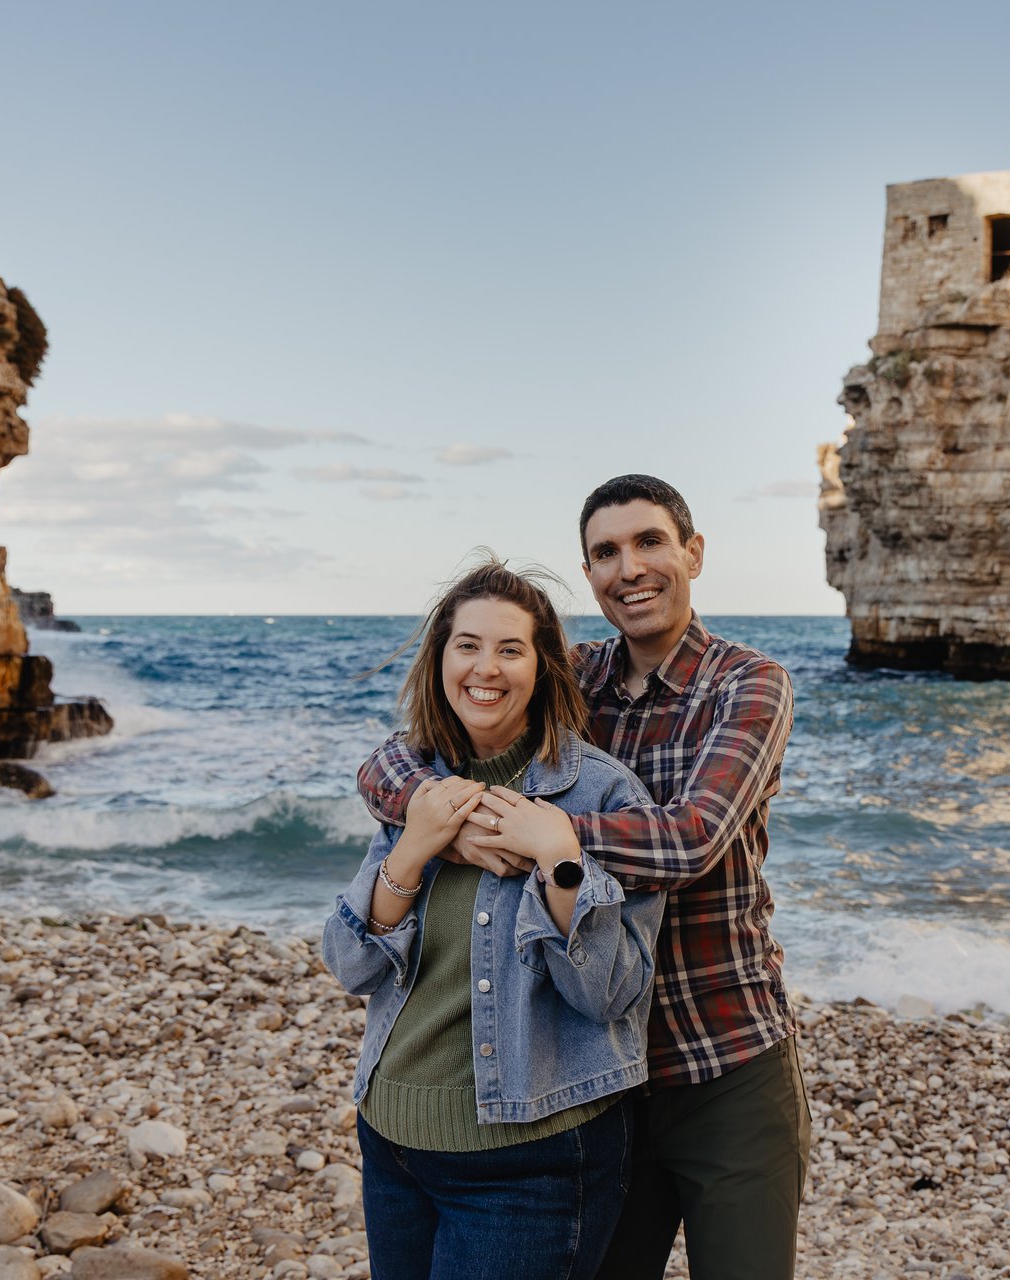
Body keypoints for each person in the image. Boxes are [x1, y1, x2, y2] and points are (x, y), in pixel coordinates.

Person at [358, 475, 810, 1280]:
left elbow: (693, 839)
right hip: (588, 1068)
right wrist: (448, 827)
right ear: (589, 573)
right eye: (606, 552)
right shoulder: (575, 674)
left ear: (693, 553)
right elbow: (398, 756)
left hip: (720, 1051)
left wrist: (546, 837)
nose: (628, 568)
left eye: (649, 542)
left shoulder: (746, 683)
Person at [322, 559, 666, 1280]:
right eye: (468, 645)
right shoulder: (417, 783)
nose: (486, 668)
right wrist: (415, 846)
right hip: (392, 1139)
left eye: (510, 649)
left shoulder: (601, 793)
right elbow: (351, 965)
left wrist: (560, 858)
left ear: (542, 669)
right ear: (440, 659)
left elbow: (610, 995)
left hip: (531, 1160)